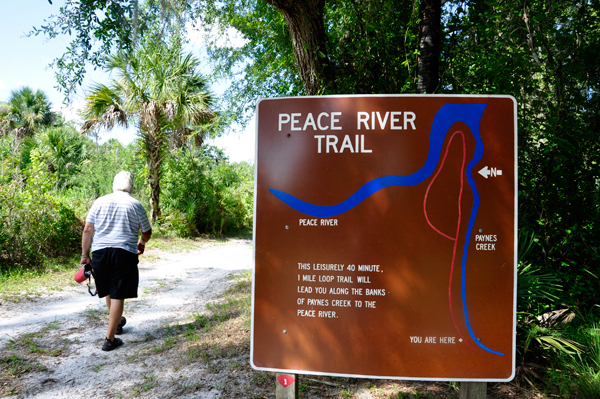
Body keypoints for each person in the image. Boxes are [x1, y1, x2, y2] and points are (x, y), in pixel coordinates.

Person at [81, 171, 152, 351]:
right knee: (117, 293)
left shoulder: (99, 202)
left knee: (108, 289)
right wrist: (141, 242)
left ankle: (117, 322)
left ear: (114, 185)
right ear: (132, 186)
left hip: (100, 253)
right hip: (123, 253)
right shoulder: (136, 205)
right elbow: (147, 231)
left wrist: (84, 255)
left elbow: (88, 230)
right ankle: (110, 339)